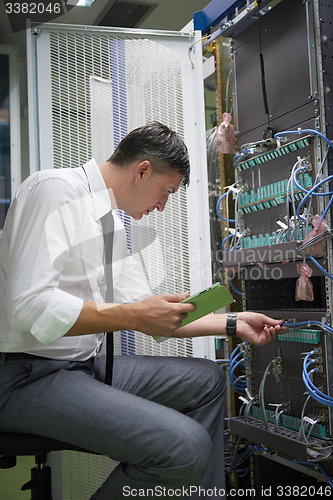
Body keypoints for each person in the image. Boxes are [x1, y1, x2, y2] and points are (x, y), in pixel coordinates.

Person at [0, 122, 286, 499]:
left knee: (207, 380)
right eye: (165, 192)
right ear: (142, 170)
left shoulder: (108, 224)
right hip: (22, 376)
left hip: (78, 368)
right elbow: (27, 308)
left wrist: (233, 322)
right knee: (186, 449)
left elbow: (154, 317)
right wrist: (134, 315)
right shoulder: (54, 191)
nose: (161, 206)